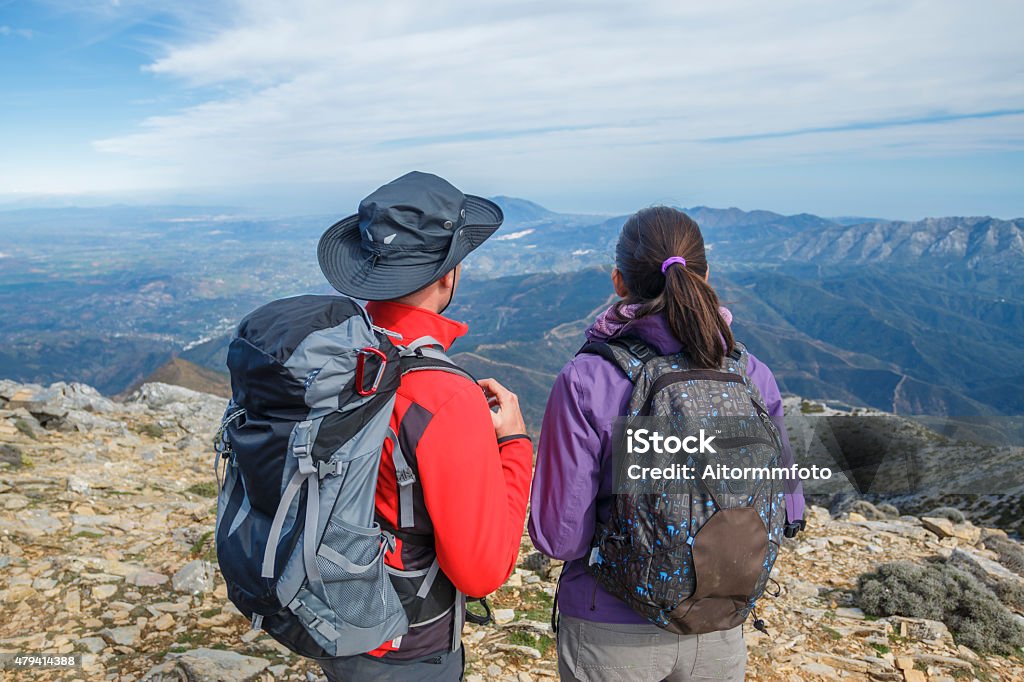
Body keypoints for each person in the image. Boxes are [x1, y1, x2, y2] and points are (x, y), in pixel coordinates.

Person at [529, 206, 805, 681]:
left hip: (609, 626)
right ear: (705, 276)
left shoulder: (588, 377)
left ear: (619, 281)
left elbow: (560, 536)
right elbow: (790, 509)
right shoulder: (750, 373)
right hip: (718, 623)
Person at [316, 171, 533, 681]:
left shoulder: (332, 349)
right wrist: (515, 444)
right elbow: (481, 572)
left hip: (327, 603)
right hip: (405, 644)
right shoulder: (443, 396)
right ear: (448, 274)